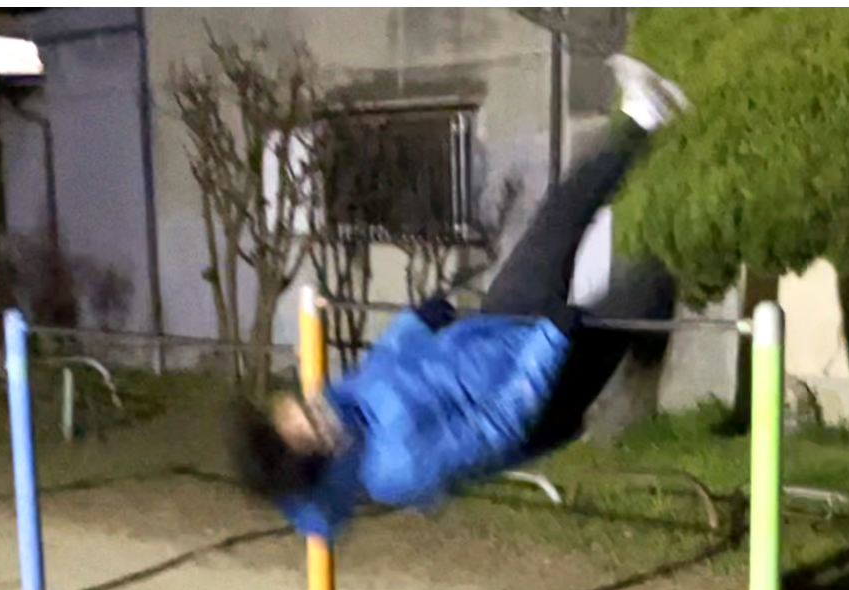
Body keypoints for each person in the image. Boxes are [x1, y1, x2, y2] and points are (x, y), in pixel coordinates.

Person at [228, 55, 689, 539]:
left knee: (559, 217)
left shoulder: (338, 407)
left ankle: (645, 113)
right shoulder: (399, 468)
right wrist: (550, 342)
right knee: (643, 281)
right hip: (546, 392)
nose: (289, 406)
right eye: (289, 423)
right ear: (310, 452)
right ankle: (703, 207)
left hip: (495, 332)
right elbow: (498, 423)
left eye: (281, 412)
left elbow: (387, 365)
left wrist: (414, 324)